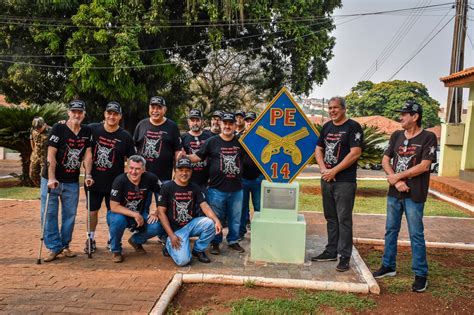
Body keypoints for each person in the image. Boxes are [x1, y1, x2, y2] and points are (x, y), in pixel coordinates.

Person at [372, 101, 437, 293]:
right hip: (395, 193)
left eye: (404, 114)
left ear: (415, 116)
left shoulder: (428, 137)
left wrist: (397, 177)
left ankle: (420, 274)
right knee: (390, 230)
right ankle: (388, 266)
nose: (400, 117)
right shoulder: (397, 136)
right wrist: (395, 181)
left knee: (416, 234)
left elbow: (425, 165)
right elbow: (385, 160)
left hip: (414, 195)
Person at [312, 96, 363, 272]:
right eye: (330, 108)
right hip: (327, 179)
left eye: (336, 108)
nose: (332, 110)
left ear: (343, 109)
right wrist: (323, 169)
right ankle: (331, 250)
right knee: (331, 218)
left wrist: (334, 171)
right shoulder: (327, 127)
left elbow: (355, 153)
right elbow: (318, 149)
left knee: (344, 219)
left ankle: (344, 256)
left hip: (344, 182)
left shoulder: (353, 127)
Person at [40, 100, 93, 262]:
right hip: (52, 179)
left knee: (70, 214)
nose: (77, 114)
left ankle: (64, 245)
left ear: (84, 114)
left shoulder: (87, 131)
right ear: (68, 112)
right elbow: (51, 154)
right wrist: (51, 177)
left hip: (71, 181)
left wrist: (88, 175)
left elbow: (88, 155)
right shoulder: (59, 128)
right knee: (49, 213)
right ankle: (54, 247)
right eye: (74, 111)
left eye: (80, 112)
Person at [186, 112, 245, 254]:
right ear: (221, 124)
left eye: (231, 123)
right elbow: (198, 157)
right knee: (216, 217)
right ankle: (215, 242)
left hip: (237, 188)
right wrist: (184, 157)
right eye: (225, 123)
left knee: (235, 218)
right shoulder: (212, 141)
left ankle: (233, 240)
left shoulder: (241, 142)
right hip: (216, 189)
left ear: (235, 125)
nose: (228, 126)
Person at [85, 101, 136, 253]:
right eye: (109, 113)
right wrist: (63, 123)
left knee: (113, 214)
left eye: (115, 114)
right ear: (105, 114)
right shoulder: (93, 129)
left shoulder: (125, 136)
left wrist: (129, 177)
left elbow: (132, 159)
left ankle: (111, 239)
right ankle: (90, 239)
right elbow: (76, 129)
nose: (112, 116)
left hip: (115, 184)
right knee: (92, 212)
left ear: (120, 116)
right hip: (93, 180)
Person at [155, 157, 222, 266]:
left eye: (187, 170)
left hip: (190, 225)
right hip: (175, 230)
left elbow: (204, 205)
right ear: (176, 170)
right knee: (183, 261)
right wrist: (171, 235)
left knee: (210, 223)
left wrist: (216, 220)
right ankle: (168, 245)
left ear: (191, 171)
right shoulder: (167, 187)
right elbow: (161, 212)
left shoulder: (194, 187)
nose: (184, 173)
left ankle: (198, 250)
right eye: (181, 170)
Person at [108, 155, 164, 263]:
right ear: (127, 168)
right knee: (117, 221)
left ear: (143, 170)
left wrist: (156, 213)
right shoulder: (120, 180)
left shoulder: (150, 178)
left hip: (140, 213)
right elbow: (114, 206)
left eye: (137, 169)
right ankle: (116, 250)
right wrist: (135, 215)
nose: (134, 172)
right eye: (131, 168)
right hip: (120, 213)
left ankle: (136, 240)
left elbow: (164, 195)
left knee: (158, 225)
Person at [133, 96, 182, 184]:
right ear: (149, 108)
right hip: (142, 176)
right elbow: (133, 148)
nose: (155, 111)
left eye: (159, 108)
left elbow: (177, 152)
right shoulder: (141, 124)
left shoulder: (172, 126)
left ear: (165, 109)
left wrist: (177, 171)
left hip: (164, 177)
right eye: (153, 107)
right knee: (141, 198)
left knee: (163, 198)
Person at [239, 111, 263, 240]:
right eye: (247, 121)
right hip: (243, 178)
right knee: (243, 207)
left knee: (258, 207)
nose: (249, 123)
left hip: (258, 177)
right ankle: (241, 231)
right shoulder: (239, 138)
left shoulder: (261, 138)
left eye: (251, 121)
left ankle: (259, 232)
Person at [181, 109, 211, 188]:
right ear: (188, 122)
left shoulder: (209, 137)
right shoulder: (183, 138)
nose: (195, 123)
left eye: (197, 120)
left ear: (202, 121)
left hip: (205, 181)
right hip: (188, 180)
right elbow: (177, 158)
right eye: (192, 120)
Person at [29, 117, 51, 187]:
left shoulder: (51, 130)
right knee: (32, 174)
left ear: (44, 125)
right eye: (36, 128)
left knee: (44, 177)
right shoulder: (33, 130)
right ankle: (42, 188)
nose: (38, 130)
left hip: (45, 158)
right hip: (35, 157)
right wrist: (34, 151)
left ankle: (44, 191)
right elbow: (32, 139)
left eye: (39, 128)